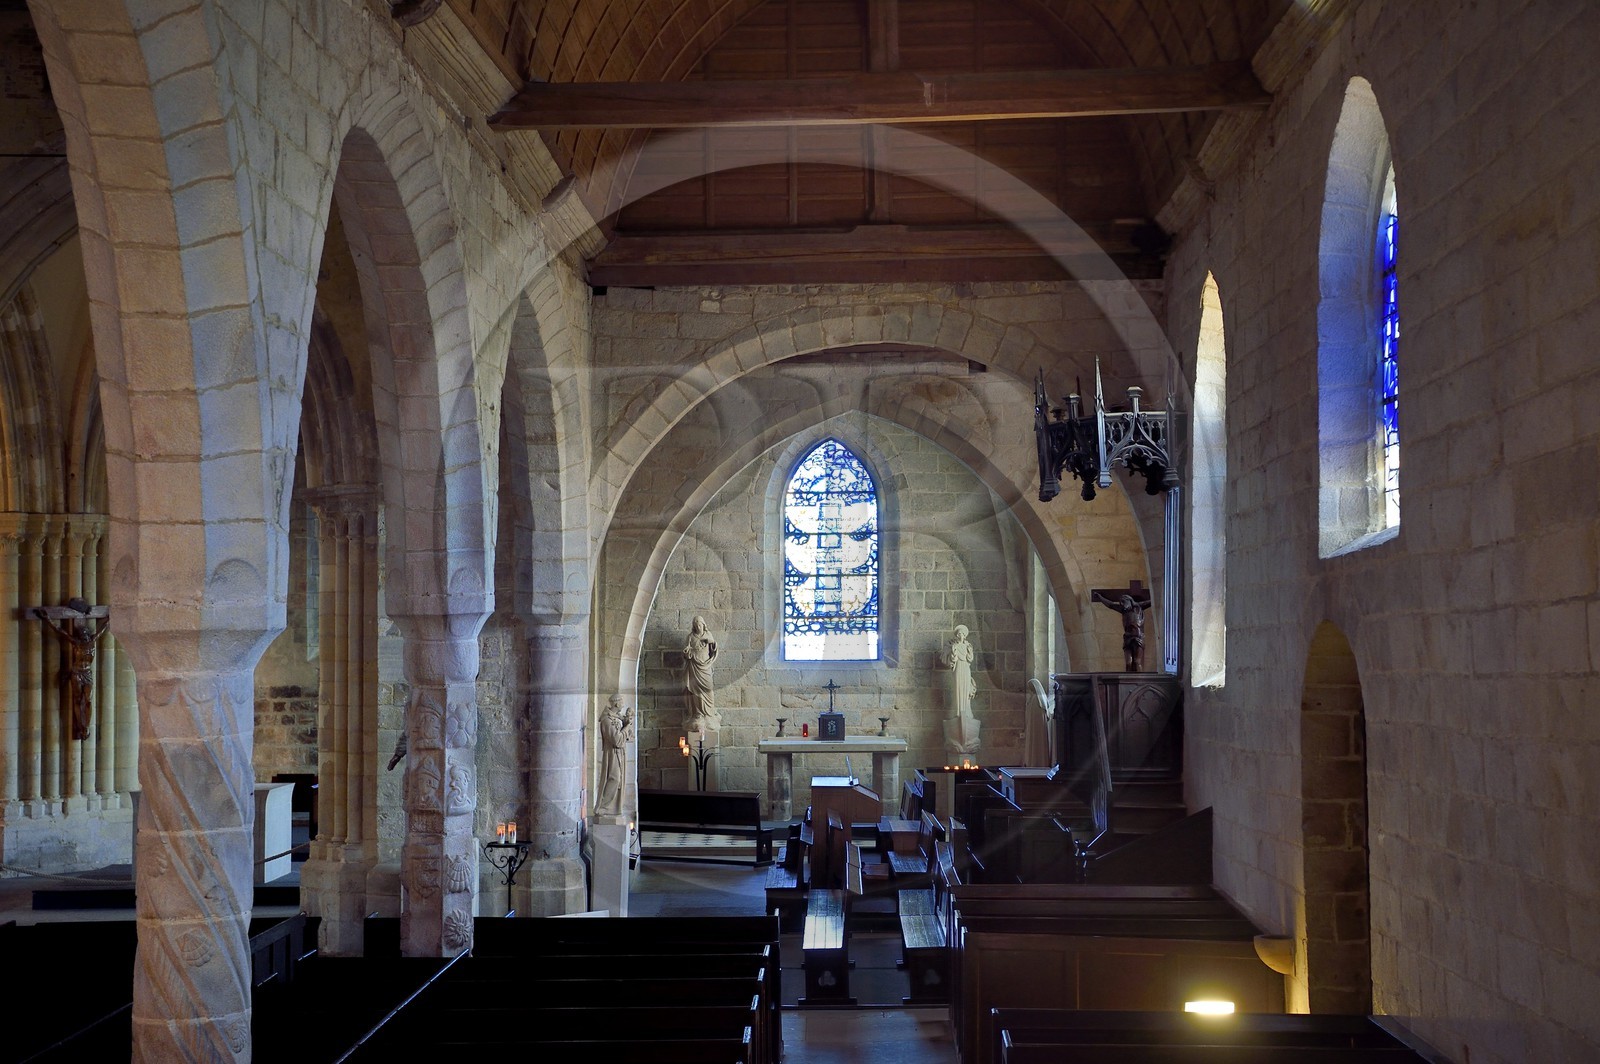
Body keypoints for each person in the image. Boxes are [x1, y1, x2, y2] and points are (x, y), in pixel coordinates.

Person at [35, 598, 108, 741]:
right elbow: (60, 631)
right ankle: (80, 726)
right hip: (76, 673)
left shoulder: (92, 640)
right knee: (76, 699)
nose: (85, 635)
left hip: (87, 673)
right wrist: (48, 618)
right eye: (83, 634)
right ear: (80, 636)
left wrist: (111, 617)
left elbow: (102, 629)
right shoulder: (76, 643)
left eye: (87, 633)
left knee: (88, 700)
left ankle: (85, 726)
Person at [596, 695, 634, 816]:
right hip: (612, 753)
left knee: (619, 781)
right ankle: (603, 807)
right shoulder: (607, 720)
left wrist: (627, 723)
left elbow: (628, 737)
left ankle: (614, 808)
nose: (623, 705)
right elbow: (617, 740)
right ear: (616, 704)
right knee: (614, 778)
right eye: (622, 702)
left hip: (620, 753)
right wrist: (627, 727)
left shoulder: (617, 718)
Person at [1092, 590, 1148, 671]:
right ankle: (1128, 681)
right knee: (1128, 662)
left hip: (1138, 637)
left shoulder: (1138, 607)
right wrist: (1100, 597)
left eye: (1124, 602)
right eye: (1121, 603)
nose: (1122, 604)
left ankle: (1139, 681)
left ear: (1130, 601)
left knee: (1136, 662)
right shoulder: (1123, 610)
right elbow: (1110, 604)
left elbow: (1151, 601)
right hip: (1127, 637)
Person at [682, 615, 719, 729]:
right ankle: (698, 714)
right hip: (694, 667)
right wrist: (687, 652)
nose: (698, 626)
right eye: (696, 624)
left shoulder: (708, 635)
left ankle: (709, 713)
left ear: (703, 625)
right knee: (695, 691)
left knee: (708, 688)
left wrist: (710, 642)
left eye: (700, 624)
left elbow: (714, 648)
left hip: (705, 667)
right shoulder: (690, 637)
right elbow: (686, 651)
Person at [944, 624, 977, 719]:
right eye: (959, 634)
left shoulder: (968, 646)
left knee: (966, 689)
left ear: (965, 635)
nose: (960, 635)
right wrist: (953, 651)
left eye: (962, 634)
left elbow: (970, 659)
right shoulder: (955, 646)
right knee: (958, 688)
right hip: (958, 668)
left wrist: (970, 651)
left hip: (966, 668)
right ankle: (958, 711)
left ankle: (966, 711)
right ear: (957, 635)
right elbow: (953, 659)